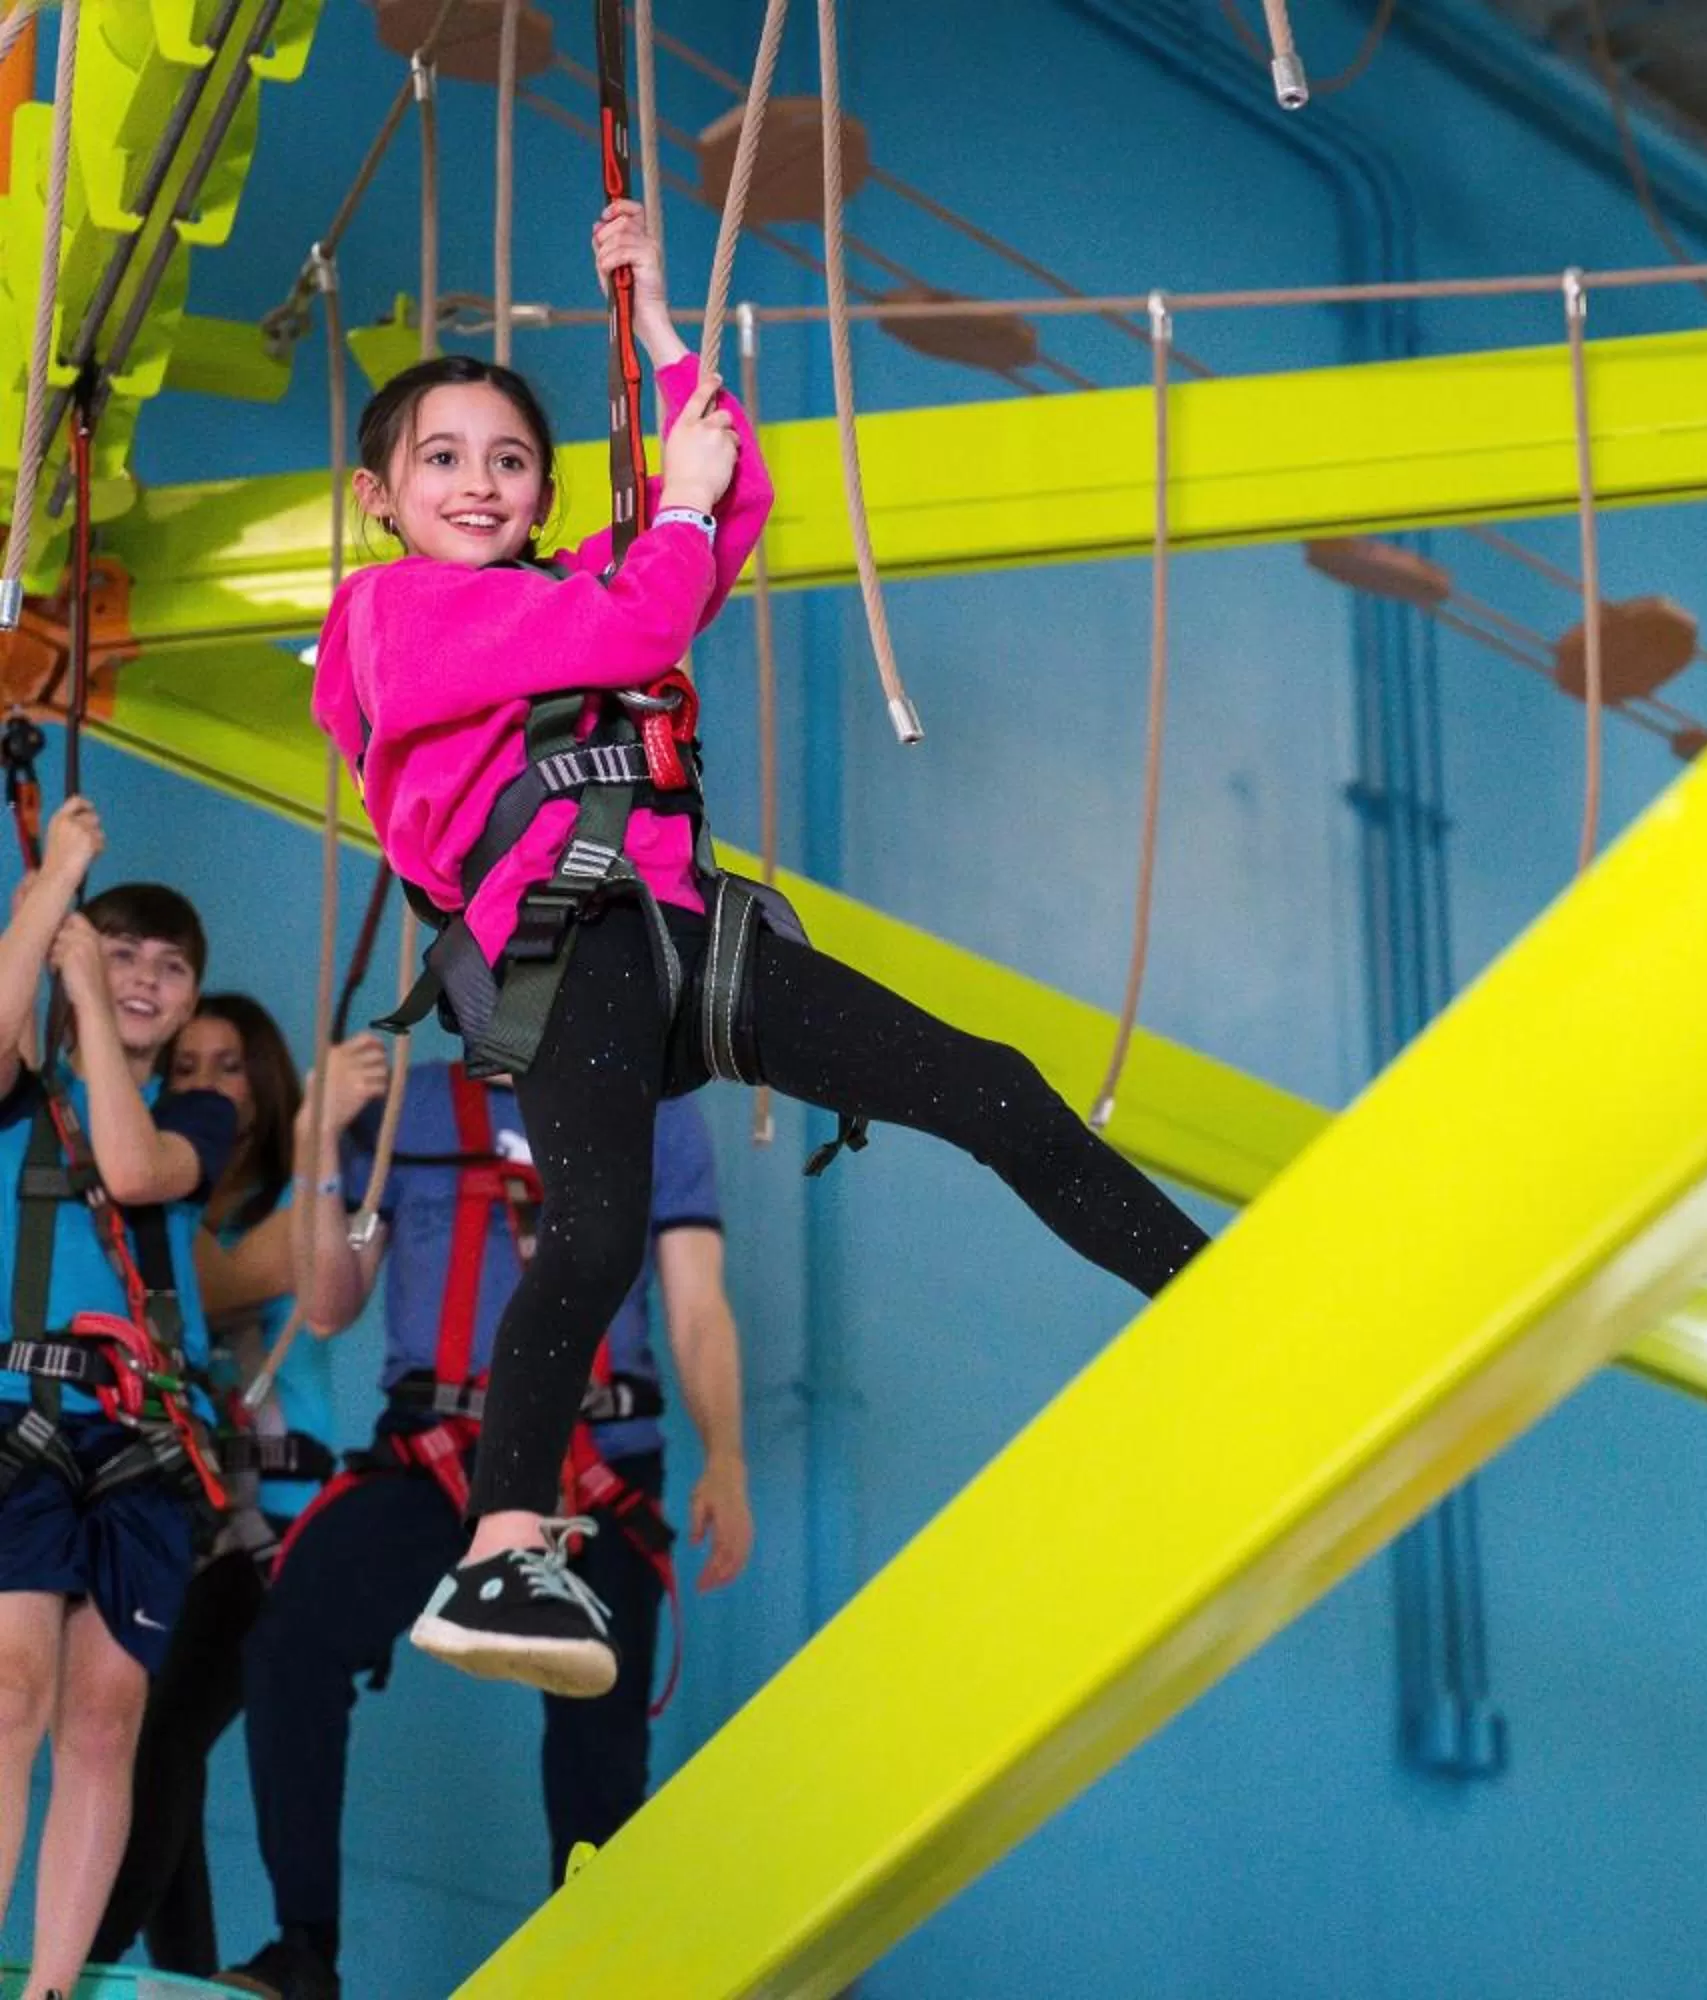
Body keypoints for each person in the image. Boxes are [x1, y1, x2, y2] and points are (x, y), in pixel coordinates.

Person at [313, 196, 1204, 1695]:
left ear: (543, 491)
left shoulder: (574, 579)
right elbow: (634, 620)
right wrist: (665, 518)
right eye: (444, 460)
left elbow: (725, 513)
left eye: (511, 460)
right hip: (567, 931)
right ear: (379, 497)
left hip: (683, 933)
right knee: (595, 1235)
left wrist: (659, 332)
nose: (482, 484)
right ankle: (496, 1550)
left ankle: (1203, 1289)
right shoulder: (390, 617)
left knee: (989, 1085)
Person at [216, 1063, 750, 2000]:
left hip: (594, 1461)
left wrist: (727, 1456)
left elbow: (698, 1305)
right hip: (434, 1454)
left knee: (599, 1732)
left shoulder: (653, 1111)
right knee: (291, 1644)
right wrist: (316, 1141)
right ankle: (303, 1952)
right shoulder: (398, 1111)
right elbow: (331, 1304)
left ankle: (590, 1972)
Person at [90, 1001, 387, 1976]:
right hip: (184, 1525)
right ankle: (176, 1972)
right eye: (187, 1067)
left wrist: (314, 1141)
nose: (210, 1083)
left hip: (272, 1532)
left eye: (230, 1064)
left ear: (263, 1082)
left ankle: (91, 1950)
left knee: (162, 1728)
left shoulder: (281, 1208)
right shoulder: (172, 1212)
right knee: (141, 1736)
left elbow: (274, 1278)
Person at [0, 810, 233, 2000]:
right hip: (16, 1419)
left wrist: (91, 989)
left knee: (105, 1716)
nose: (145, 976)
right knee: (11, 1683)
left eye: (170, 965)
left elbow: (135, 1171)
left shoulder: (198, 1118)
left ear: (192, 1005)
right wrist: (55, 888)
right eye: (126, 951)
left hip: (140, 1440)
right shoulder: (16, 1099)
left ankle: (48, 1984)